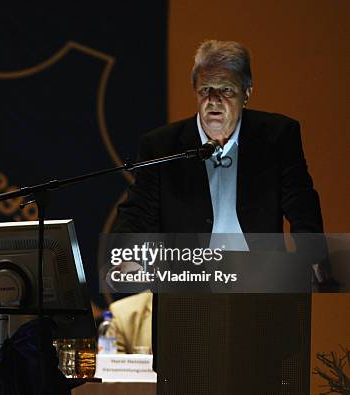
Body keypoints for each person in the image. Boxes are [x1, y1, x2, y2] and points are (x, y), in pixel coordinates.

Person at [110, 40, 326, 393]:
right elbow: (137, 211)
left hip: (258, 298)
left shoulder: (277, 136)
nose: (213, 101)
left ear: (247, 92)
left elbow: (301, 202)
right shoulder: (163, 145)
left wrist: (313, 256)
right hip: (188, 301)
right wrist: (127, 254)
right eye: (205, 90)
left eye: (226, 90)